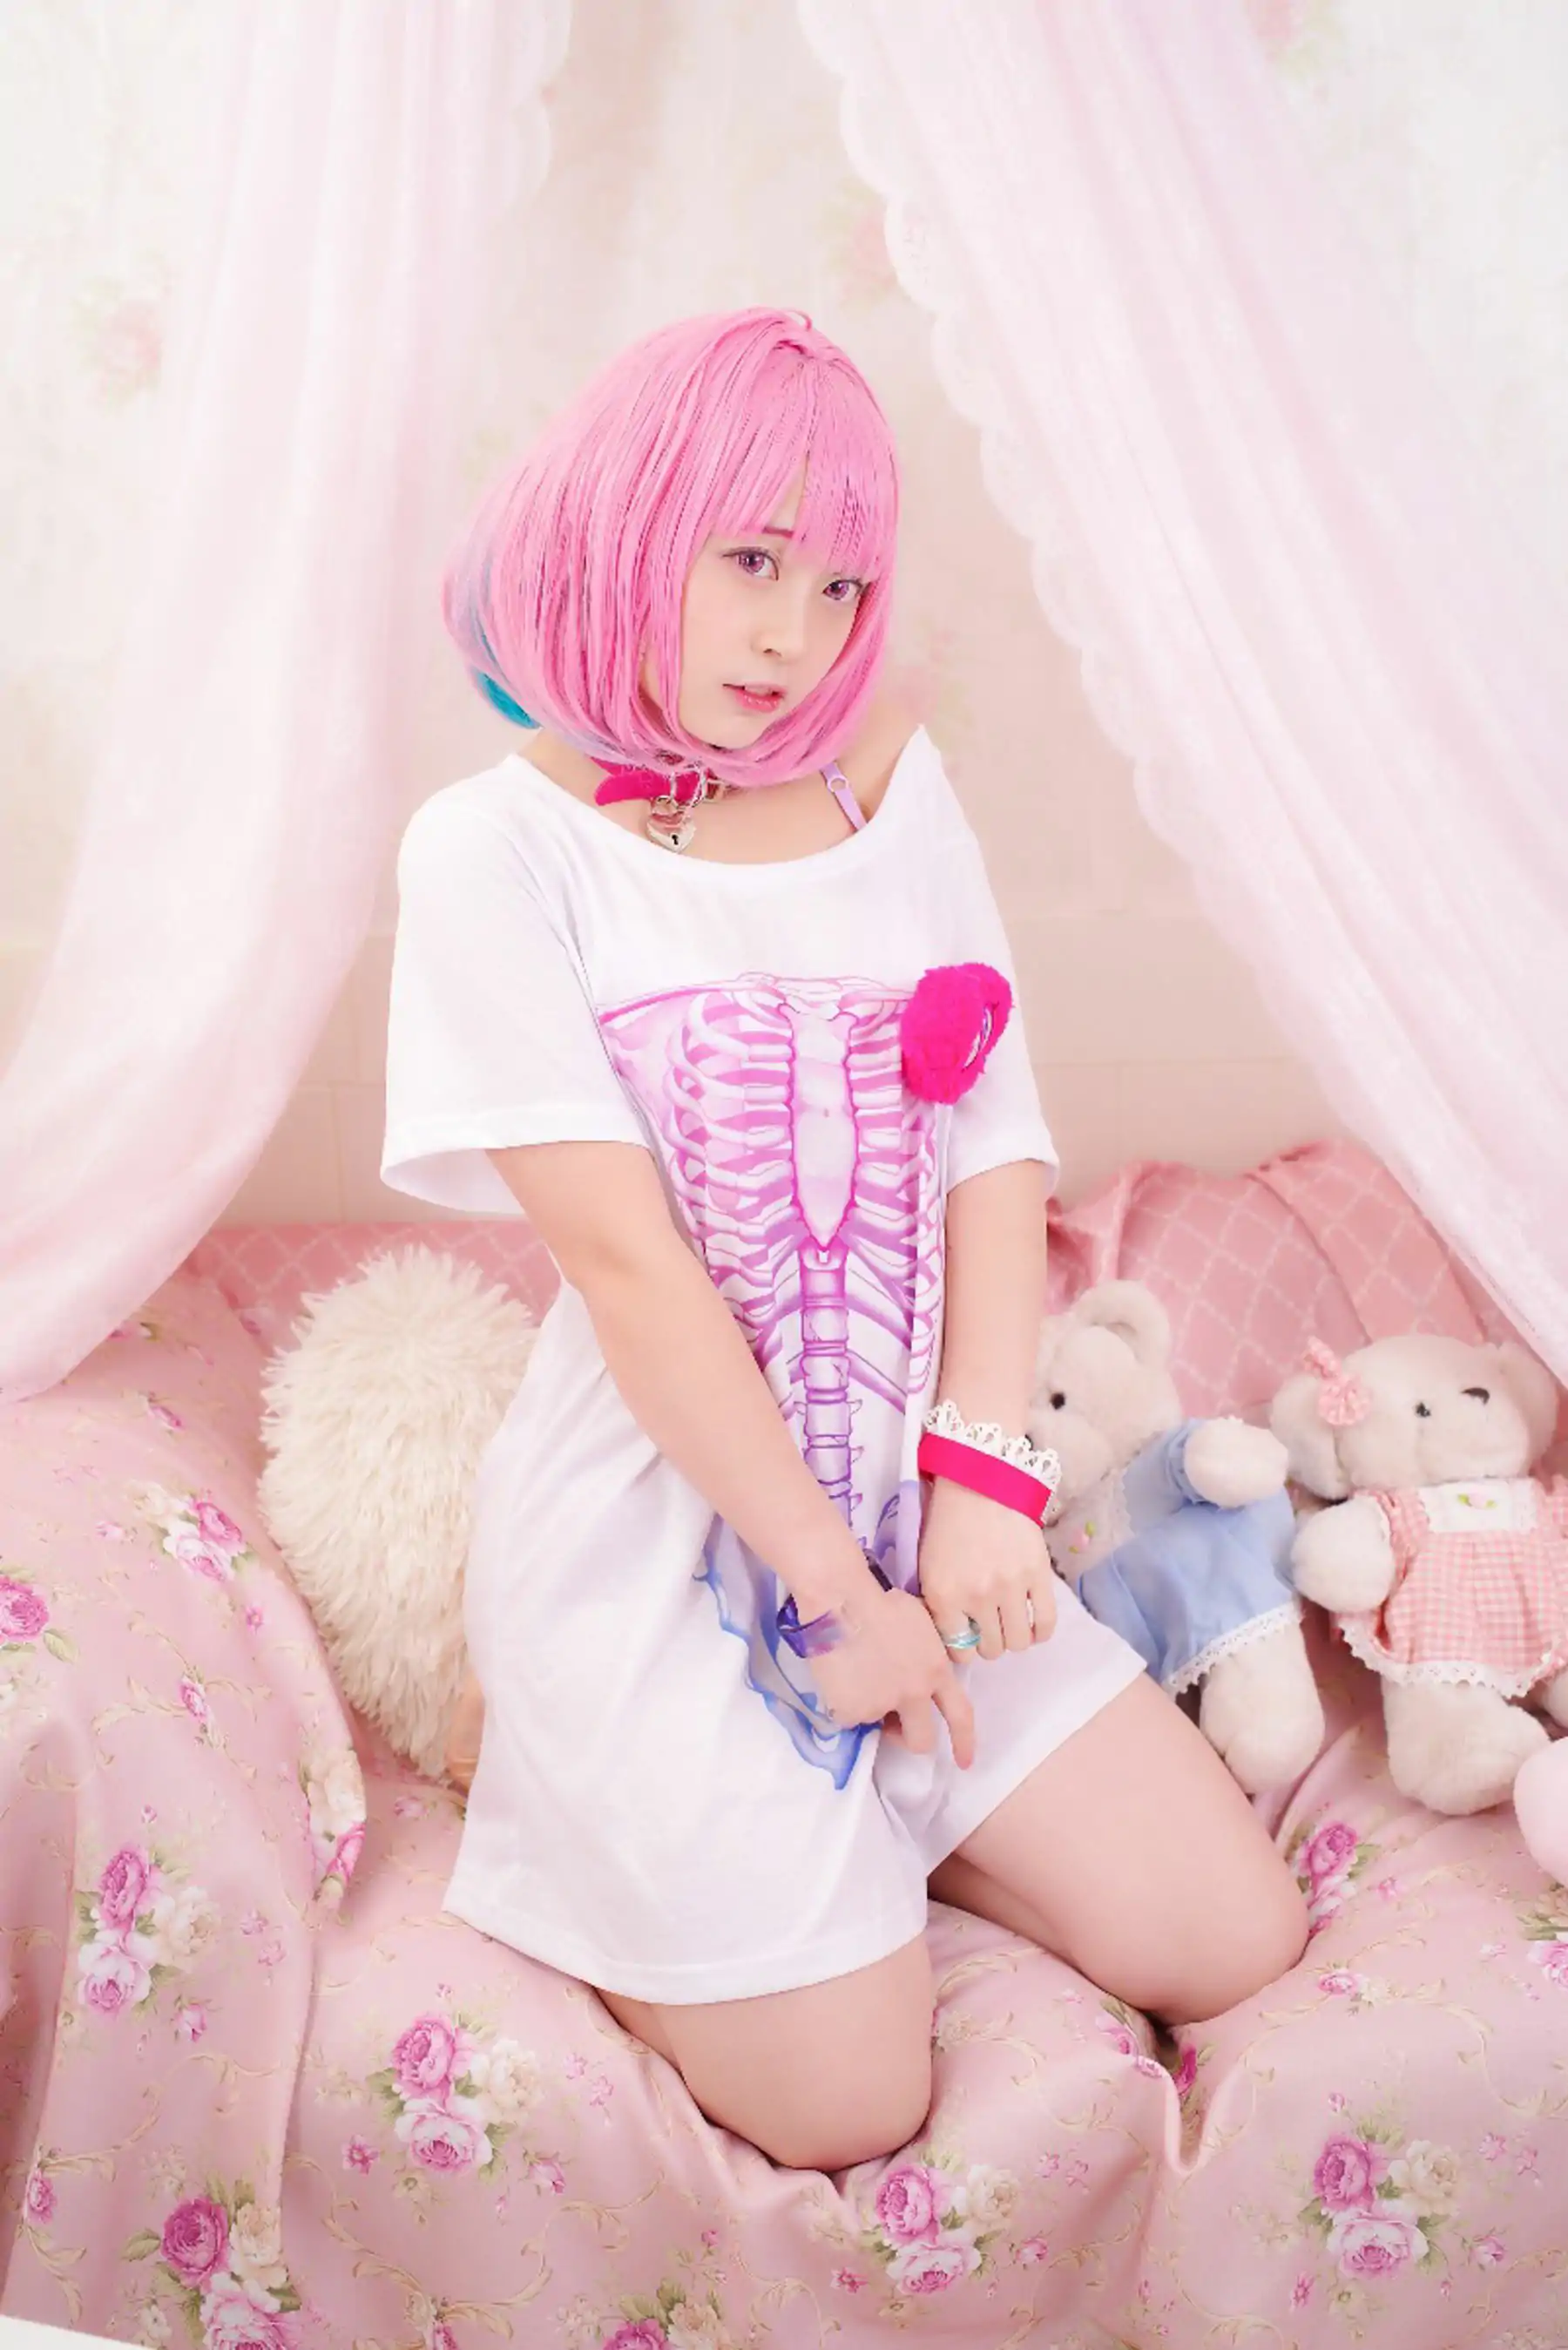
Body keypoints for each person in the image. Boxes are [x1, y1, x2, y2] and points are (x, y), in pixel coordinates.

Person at [380, 308, 1308, 2174]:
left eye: (837, 584)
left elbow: (994, 1144)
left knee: (1235, 1938)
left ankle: (871, 1834)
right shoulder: (493, 852)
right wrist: (834, 1597)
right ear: (631, 524)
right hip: (668, 1534)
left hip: (921, 1508)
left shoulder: (884, 777)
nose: (791, 634)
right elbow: (630, 1272)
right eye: (747, 560)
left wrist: (978, 1486)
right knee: (850, 2105)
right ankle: (571, 1783)